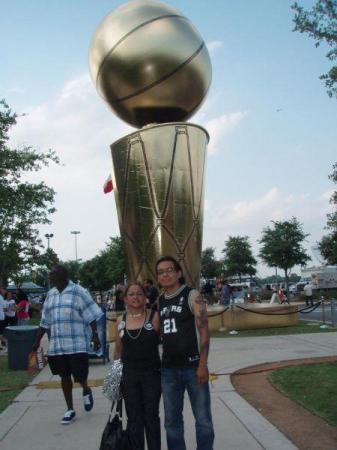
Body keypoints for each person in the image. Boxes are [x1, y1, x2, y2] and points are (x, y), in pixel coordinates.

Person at [32, 265, 103, 425]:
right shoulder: (50, 295)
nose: (49, 276)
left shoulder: (79, 291)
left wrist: (95, 336)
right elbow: (45, 321)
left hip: (76, 344)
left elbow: (91, 315)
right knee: (64, 377)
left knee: (79, 377)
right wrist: (36, 341)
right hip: (57, 346)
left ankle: (86, 389)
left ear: (62, 275)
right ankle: (70, 409)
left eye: (52, 273)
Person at [156, 256, 214, 450]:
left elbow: (204, 331)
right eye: (161, 272)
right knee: (172, 422)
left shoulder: (192, 295)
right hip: (169, 370)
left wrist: (203, 365)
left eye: (169, 270)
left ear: (179, 273)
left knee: (203, 419)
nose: (165, 274)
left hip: (193, 368)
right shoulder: (160, 301)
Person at [113, 282, 161, 450]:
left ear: (145, 297)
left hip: (152, 374)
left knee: (151, 417)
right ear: (125, 298)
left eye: (139, 293)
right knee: (134, 418)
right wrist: (115, 380)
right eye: (131, 294)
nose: (135, 297)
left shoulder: (154, 316)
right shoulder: (120, 320)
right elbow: (118, 351)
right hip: (129, 376)